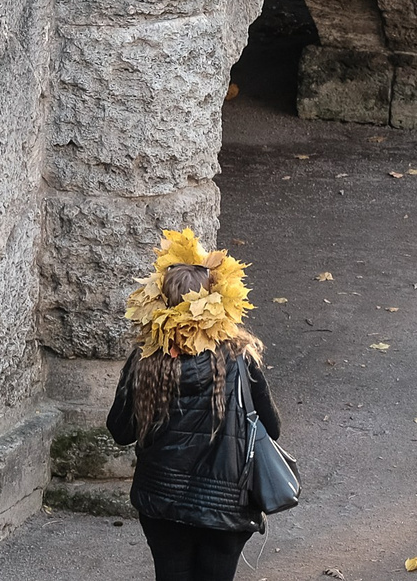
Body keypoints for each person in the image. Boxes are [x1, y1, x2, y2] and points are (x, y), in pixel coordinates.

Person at [106, 231, 281, 581]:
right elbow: (271, 429)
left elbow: (120, 431)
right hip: (227, 502)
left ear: (161, 303)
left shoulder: (145, 359)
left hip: (162, 500)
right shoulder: (241, 358)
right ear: (216, 301)